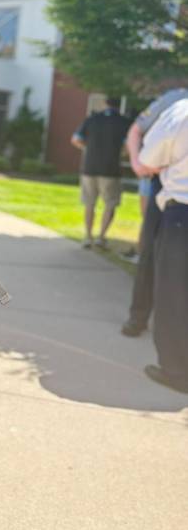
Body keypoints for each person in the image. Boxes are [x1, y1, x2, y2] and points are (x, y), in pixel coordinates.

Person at [121, 86, 188, 336]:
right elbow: (136, 130)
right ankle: (138, 317)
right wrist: (138, 164)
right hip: (167, 182)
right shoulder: (175, 99)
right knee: (150, 250)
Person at [136, 98, 188, 392]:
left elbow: (147, 162)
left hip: (183, 212)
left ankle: (177, 371)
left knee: (175, 295)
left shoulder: (181, 111)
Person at [71, 97, 132, 249]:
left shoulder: (92, 119)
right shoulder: (124, 122)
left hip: (89, 167)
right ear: (119, 105)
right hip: (111, 169)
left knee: (89, 203)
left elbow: (75, 139)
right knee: (110, 204)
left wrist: (88, 148)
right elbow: (128, 146)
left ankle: (87, 236)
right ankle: (101, 237)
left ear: (105, 103)